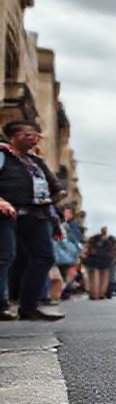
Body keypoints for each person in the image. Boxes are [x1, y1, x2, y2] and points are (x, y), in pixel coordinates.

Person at [0, 120, 66, 321]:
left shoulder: (36, 162)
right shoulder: (3, 155)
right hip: (6, 213)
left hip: (36, 214)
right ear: (14, 137)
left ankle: (29, 306)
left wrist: (55, 222)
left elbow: (50, 193)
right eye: (28, 135)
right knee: (5, 256)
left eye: (37, 136)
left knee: (44, 256)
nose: (34, 139)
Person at [83, 227, 116, 300]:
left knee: (95, 276)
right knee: (104, 276)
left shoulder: (94, 238)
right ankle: (101, 293)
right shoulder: (110, 239)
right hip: (106, 259)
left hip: (95, 258)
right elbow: (114, 250)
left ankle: (95, 294)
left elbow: (88, 248)